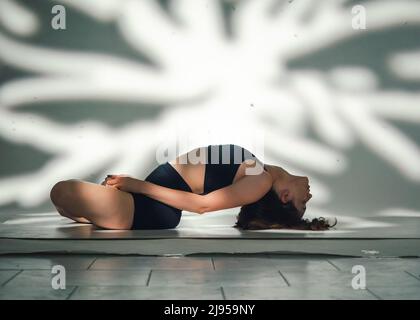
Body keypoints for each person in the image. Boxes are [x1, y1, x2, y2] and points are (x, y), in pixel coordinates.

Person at [50, 144, 334, 230]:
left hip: (153, 210)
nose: (309, 196)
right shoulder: (259, 171)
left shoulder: (261, 182)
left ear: (284, 196)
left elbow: (202, 205)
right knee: (64, 206)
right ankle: (101, 217)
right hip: (147, 204)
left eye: (303, 203)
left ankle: (107, 216)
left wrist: (137, 186)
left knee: (62, 193)